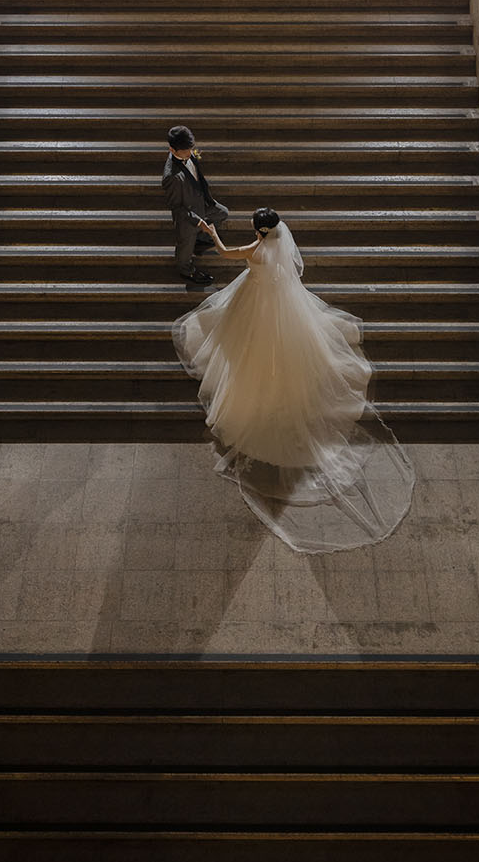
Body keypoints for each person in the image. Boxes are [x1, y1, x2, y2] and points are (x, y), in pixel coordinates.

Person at [173, 208, 415, 553]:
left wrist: (211, 232)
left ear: (259, 230)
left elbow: (226, 253)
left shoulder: (256, 251)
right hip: (279, 305)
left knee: (247, 350)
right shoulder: (277, 249)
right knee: (285, 353)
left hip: (256, 304)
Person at [161, 124, 229, 286]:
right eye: (185, 151)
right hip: (187, 216)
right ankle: (187, 270)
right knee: (185, 245)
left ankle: (200, 240)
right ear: (172, 150)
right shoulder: (171, 177)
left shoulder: (189, 154)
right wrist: (198, 222)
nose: (190, 153)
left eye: (191, 149)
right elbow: (177, 208)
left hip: (201, 201)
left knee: (222, 212)